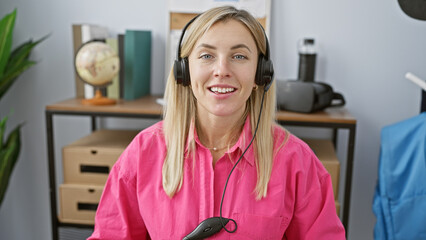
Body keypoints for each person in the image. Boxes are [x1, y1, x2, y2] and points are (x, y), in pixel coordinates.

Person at [88, 6, 345, 240]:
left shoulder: (296, 162)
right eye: (207, 56)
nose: (222, 70)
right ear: (184, 72)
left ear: (261, 74)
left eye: (239, 56)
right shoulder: (143, 153)